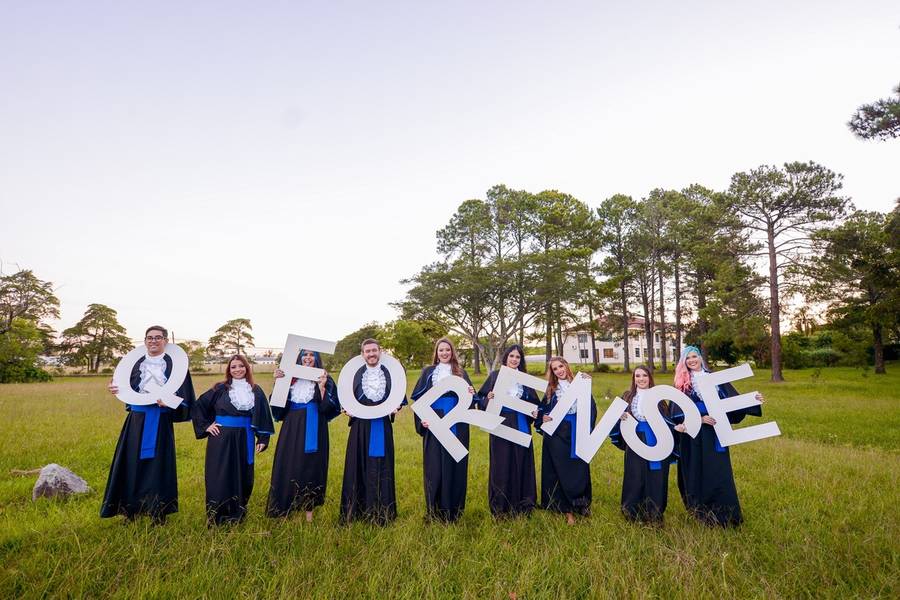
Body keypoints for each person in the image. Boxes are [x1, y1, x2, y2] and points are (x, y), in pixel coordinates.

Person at [100, 325, 196, 524]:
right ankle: (130, 510)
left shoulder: (175, 368)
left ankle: (157, 512)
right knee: (131, 463)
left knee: (158, 466)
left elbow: (184, 398)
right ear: (145, 341)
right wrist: (114, 388)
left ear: (165, 341)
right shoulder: (135, 365)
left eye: (158, 338)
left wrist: (168, 401)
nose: (153, 341)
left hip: (160, 420)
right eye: (150, 338)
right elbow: (123, 387)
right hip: (136, 421)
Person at [672, 346, 765, 527]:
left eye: (694, 356)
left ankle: (726, 514)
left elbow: (732, 400)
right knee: (698, 469)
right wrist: (698, 418)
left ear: (700, 358)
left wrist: (753, 400)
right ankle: (702, 512)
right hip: (695, 435)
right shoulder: (682, 383)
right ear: (684, 362)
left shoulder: (715, 378)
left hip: (717, 431)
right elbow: (676, 412)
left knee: (719, 470)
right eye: (688, 358)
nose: (692, 360)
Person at [191, 355, 274, 525]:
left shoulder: (256, 390)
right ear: (229, 370)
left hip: (245, 437)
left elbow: (264, 415)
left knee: (243, 475)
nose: (237, 370)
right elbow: (198, 406)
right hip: (220, 438)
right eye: (233, 367)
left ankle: (237, 513)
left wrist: (263, 438)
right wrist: (206, 426)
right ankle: (215, 515)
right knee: (218, 475)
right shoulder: (220, 388)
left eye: (241, 366)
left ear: (247, 368)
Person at [339, 338, 406, 525]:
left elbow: (399, 398)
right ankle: (357, 511)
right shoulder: (355, 374)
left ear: (380, 352)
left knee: (381, 465)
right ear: (362, 354)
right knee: (357, 465)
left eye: (374, 350)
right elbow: (344, 399)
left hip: (381, 425)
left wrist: (397, 407)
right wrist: (347, 409)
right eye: (367, 351)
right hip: (360, 426)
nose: (371, 354)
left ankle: (382, 512)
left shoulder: (390, 374)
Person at [267, 349, 339, 521]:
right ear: (298, 358)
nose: (308, 358)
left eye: (311, 355)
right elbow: (277, 407)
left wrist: (321, 389)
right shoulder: (289, 378)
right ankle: (284, 508)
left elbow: (330, 408)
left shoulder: (325, 379)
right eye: (304, 355)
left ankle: (308, 513)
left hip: (315, 426)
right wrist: (278, 383)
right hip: (291, 426)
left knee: (312, 465)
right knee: (288, 462)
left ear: (317, 358)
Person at [411, 338, 477, 522]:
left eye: (447, 350)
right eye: (441, 350)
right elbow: (418, 400)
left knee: (455, 464)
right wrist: (422, 420)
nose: (444, 353)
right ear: (436, 353)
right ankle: (434, 510)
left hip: (457, 421)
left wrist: (472, 393)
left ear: (452, 352)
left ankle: (454, 511)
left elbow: (474, 399)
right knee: (434, 466)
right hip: (434, 421)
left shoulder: (461, 373)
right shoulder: (428, 372)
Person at [476, 344, 539, 518]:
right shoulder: (495, 376)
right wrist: (487, 399)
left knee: (522, 461)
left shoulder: (525, 379)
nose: (514, 359)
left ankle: (523, 503)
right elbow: (480, 398)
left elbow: (535, 403)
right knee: (501, 464)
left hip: (520, 424)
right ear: (505, 358)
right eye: (511, 356)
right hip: (500, 423)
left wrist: (534, 411)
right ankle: (500, 505)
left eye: (517, 357)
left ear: (521, 360)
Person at [609, 365, 675, 524]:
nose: (641, 379)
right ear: (634, 378)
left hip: (657, 439)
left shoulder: (658, 397)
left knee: (656, 475)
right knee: (635, 475)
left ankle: (655, 513)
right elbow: (617, 419)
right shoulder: (627, 396)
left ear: (650, 377)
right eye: (637, 376)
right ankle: (633, 512)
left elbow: (667, 420)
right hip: (635, 439)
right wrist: (622, 416)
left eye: (644, 375)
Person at [536, 357, 596, 525]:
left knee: (579, 466)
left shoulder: (581, 384)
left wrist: (587, 429)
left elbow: (591, 407)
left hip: (578, 430)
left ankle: (580, 503)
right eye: (555, 369)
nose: (559, 370)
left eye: (561, 366)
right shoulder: (551, 389)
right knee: (560, 469)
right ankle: (565, 508)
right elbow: (542, 410)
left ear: (566, 365)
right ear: (552, 372)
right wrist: (543, 417)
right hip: (557, 434)